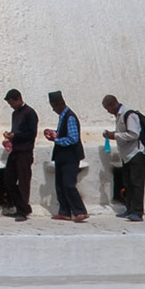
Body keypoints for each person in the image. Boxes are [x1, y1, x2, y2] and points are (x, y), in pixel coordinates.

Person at [101, 94, 145, 223]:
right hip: (126, 154)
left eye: (107, 108)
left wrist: (115, 135)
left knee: (137, 183)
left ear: (113, 104)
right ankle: (130, 208)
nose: (108, 111)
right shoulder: (119, 116)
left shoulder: (129, 115)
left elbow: (134, 134)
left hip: (135, 153)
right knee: (128, 183)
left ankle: (137, 211)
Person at [44, 90, 88, 222]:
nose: (53, 110)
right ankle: (64, 212)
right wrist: (54, 133)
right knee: (60, 185)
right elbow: (63, 133)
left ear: (59, 104)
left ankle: (80, 211)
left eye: (53, 107)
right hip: (61, 156)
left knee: (69, 184)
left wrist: (56, 140)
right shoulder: (63, 117)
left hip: (70, 156)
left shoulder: (70, 117)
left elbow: (73, 139)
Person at [1, 89, 37, 222]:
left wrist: (15, 136)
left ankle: (22, 210)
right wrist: (10, 137)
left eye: (11, 102)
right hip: (15, 151)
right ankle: (22, 206)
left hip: (25, 152)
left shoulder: (30, 113)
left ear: (18, 99)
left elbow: (31, 134)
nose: (11, 106)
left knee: (23, 182)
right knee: (8, 180)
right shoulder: (15, 114)